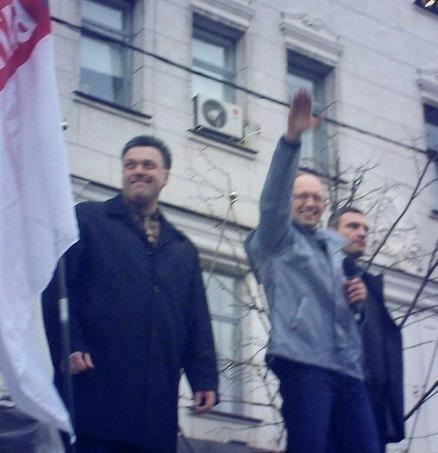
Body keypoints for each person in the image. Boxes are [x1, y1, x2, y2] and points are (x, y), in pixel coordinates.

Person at [43, 136, 218, 453]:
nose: (138, 171)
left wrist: (204, 377)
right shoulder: (88, 220)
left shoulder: (182, 248)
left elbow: (196, 320)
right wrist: (69, 343)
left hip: (154, 413)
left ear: (165, 176)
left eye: (148, 165)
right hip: (93, 399)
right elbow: (58, 287)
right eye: (130, 165)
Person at [245, 91, 379, 453]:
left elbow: (345, 314)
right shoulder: (277, 240)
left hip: (348, 370)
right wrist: (292, 139)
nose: (310, 203)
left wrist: (359, 306)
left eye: (317, 198)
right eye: (301, 196)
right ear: (289, 202)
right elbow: (272, 200)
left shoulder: (334, 249)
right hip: (305, 365)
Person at [328, 206, 405, 452]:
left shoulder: (369, 283)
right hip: (339, 396)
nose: (361, 233)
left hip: (375, 401)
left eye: (365, 229)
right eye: (352, 226)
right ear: (331, 233)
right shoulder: (323, 274)